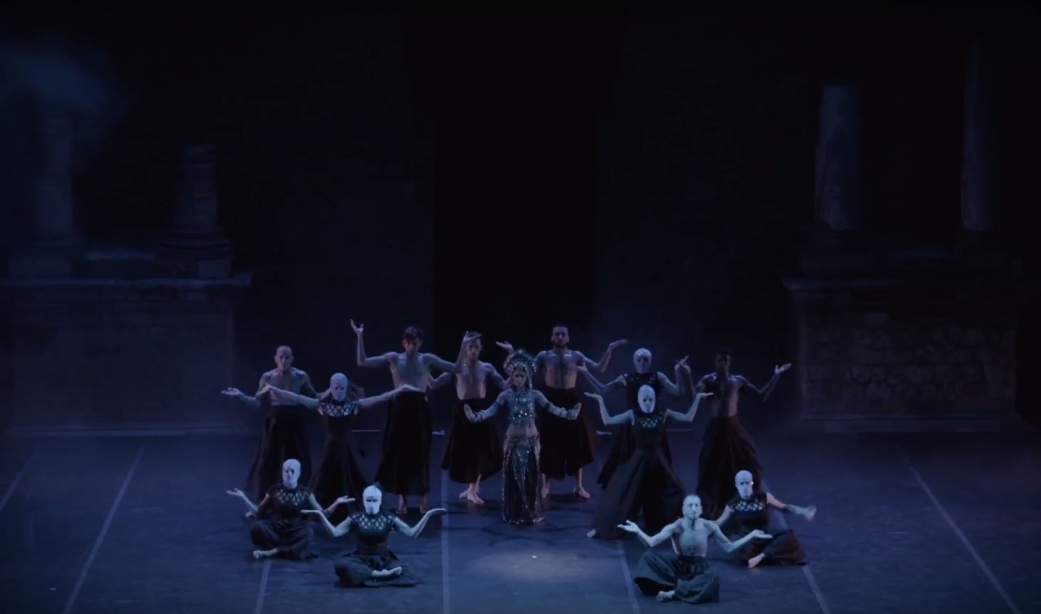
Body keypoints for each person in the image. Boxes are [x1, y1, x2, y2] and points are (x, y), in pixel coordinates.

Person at [352, 321, 480, 515]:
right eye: (409, 342)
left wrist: (463, 345)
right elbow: (363, 362)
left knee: (420, 453)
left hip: (419, 408)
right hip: (399, 408)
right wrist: (360, 336)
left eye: (415, 343)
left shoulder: (426, 359)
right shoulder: (394, 358)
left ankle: (422, 498)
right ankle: (402, 499)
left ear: (420, 343)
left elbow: (456, 368)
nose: (411, 346)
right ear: (403, 342)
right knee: (399, 454)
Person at [263, 374, 419, 521]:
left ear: (346, 388)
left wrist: (399, 389)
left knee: (353, 479)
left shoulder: (353, 405)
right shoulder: (322, 406)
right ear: (330, 388)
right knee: (324, 480)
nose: (338, 391)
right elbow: (297, 397)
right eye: (335, 388)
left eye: (342, 388)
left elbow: (379, 398)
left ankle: (350, 508)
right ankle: (323, 509)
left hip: (348, 450)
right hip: (330, 450)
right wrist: (274, 389)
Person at [496, 326, 626, 499]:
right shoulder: (544, 356)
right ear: (552, 337)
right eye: (557, 334)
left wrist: (609, 349)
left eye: (563, 334)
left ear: (568, 338)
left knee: (576, 444)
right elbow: (524, 369)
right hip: (550, 400)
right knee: (547, 443)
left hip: (571, 400)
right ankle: (546, 486)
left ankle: (578, 486)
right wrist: (512, 352)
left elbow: (599, 368)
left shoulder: (576, 356)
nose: (560, 336)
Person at [463, 350, 581, 525]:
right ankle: (514, 514)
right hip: (513, 443)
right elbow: (491, 410)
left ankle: (530, 513)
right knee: (514, 480)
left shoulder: (535, 395)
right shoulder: (506, 395)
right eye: (516, 376)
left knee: (531, 478)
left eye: (522, 375)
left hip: (532, 442)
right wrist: (476, 417)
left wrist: (568, 414)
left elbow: (552, 408)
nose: (518, 379)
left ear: (527, 377)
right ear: (512, 377)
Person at [584, 385, 712, 539]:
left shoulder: (663, 414)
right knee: (622, 493)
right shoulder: (633, 414)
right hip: (639, 460)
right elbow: (608, 420)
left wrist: (697, 399)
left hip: (657, 460)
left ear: (655, 399)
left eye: (650, 399)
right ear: (639, 400)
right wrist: (600, 401)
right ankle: (603, 528)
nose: (647, 403)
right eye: (644, 400)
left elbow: (688, 418)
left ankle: (675, 523)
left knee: (675, 489)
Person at [619, 494, 771, 604]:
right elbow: (651, 543)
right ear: (683, 510)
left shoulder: (709, 526)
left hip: (699, 568)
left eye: (696, 505)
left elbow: (729, 547)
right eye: (690, 506)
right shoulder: (675, 526)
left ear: (701, 509)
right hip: (678, 567)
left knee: (712, 577)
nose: (693, 509)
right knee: (648, 557)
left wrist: (751, 535)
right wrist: (638, 532)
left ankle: (674, 592)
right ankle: (685, 588)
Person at [693, 347, 790, 517]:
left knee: (747, 460)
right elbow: (693, 395)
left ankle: (747, 501)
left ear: (729, 362)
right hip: (715, 428)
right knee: (709, 466)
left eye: (725, 360)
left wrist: (776, 375)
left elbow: (761, 395)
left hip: (732, 427)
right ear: (715, 362)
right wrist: (685, 375)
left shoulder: (738, 381)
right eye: (719, 360)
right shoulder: (708, 380)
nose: (722, 363)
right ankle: (710, 506)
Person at [580, 348, 690, 490]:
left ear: (650, 361)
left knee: (658, 462)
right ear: (634, 361)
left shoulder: (658, 377)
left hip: (654, 426)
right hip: (632, 427)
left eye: (645, 360)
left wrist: (678, 372)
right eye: (639, 359)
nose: (642, 362)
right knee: (627, 461)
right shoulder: (626, 378)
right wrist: (586, 373)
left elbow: (678, 392)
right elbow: (603, 390)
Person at [222, 345, 318, 501]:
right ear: (275, 358)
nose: (284, 361)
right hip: (275, 420)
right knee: (269, 457)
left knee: (297, 456)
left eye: (287, 357)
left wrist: (333, 392)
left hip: (295, 420)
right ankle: (267, 496)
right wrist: (240, 395)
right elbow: (256, 402)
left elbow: (314, 398)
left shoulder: (300, 376)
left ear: (292, 359)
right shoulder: (268, 377)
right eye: (281, 357)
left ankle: (299, 495)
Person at [304, 484, 446, 588]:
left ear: (379, 501)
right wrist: (321, 516)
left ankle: (368, 576)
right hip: (360, 558)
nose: (371, 504)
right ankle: (380, 576)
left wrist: (427, 516)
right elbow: (335, 533)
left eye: (374, 500)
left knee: (409, 572)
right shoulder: (355, 518)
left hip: (383, 560)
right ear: (364, 501)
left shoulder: (388, 518)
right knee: (342, 565)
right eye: (368, 500)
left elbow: (412, 533)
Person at [226, 459, 353, 560]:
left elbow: (323, 514)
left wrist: (337, 503)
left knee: (308, 533)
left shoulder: (305, 493)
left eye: (292, 471)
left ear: (298, 473)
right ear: (282, 472)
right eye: (286, 471)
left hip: (296, 531)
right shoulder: (274, 490)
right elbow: (259, 511)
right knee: (256, 528)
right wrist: (243, 498)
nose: (289, 474)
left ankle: (272, 552)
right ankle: (287, 550)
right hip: (276, 529)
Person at [430, 336, 505, 504]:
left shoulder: (486, 368)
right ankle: (471, 487)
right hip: (463, 411)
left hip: (481, 411)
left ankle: (472, 489)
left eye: (476, 347)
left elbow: (504, 384)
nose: (473, 350)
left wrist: (514, 362)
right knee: (466, 451)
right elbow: (434, 384)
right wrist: (424, 372)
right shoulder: (456, 368)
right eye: (470, 347)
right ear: (465, 348)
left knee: (481, 450)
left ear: (480, 348)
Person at [713, 470, 815, 568]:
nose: (745, 487)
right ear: (737, 485)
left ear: (752, 483)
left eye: (747, 483)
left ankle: (760, 557)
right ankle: (766, 555)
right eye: (742, 484)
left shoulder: (764, 497)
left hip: (765, 534)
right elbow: (718, 523)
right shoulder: (733, 505)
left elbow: (784, 507)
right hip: (748, 537)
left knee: (789, 536)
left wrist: (803, 511)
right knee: (738, 551)